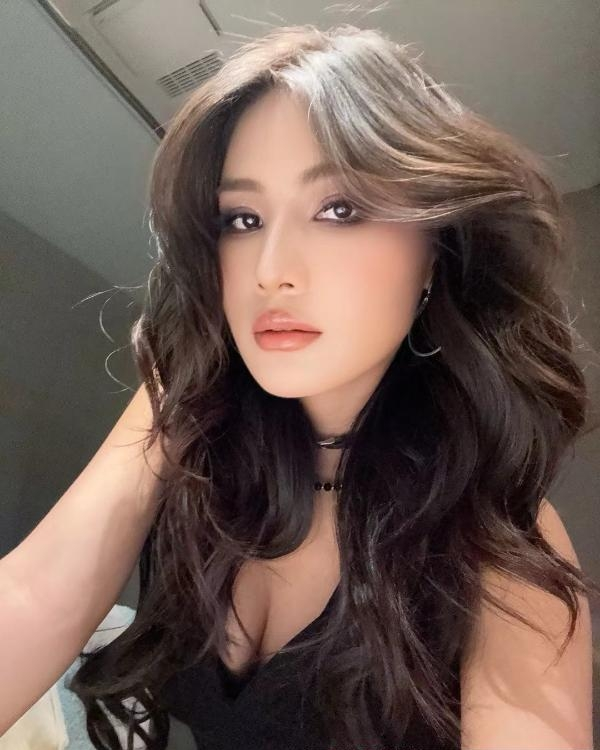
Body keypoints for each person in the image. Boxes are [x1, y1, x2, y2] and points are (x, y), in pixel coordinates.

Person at [2, 22, 597, 750]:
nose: (270, 270)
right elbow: (33, 593)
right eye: (243, 219)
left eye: (340, 209)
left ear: (436, 248)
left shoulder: (495, 527)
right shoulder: (186, 411)